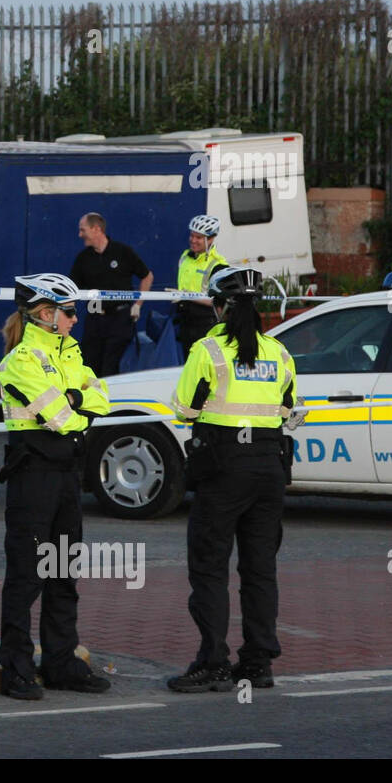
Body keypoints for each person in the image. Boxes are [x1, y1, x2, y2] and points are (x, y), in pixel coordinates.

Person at [167, 265, 303, 693]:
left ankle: (213, 663)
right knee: (260, 569)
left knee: (209, 568)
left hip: (224, 468)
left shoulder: (207, 350)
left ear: (219, 307)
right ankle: (258, 663)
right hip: (269, 468)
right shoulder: (279, 352)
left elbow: (183, 410)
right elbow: (290, 410)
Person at [0, 272, 112, 700]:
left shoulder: (71, 354)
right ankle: (16, 668)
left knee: (63, 574)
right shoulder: (20, 361)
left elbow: (103, 398)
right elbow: (61, 419)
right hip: (34, 476)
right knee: (26, 577)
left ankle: (60, 663)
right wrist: (78, 404)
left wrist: (76, 401)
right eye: (68, 311)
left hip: (66, 475)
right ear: (46, 314)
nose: (75, 319)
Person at [69, 212, 154, 377]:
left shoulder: (122, 252)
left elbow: (147, 276)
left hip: (120, 318)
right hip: (94, 315)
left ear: (96, 229)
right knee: (89, 367)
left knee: (112, 368)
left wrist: (138, 305)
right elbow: (72, 289)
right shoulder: (83, 258)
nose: (80, 235)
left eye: (82, 230)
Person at [174, 214, 229, 359]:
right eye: (192, 236)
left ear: (210, 239)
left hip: (206, 323)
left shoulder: (218, 265)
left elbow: (219, 301)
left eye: (198, 237)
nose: (193, 240)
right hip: (185, 321)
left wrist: (185, 295)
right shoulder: (185, 256)